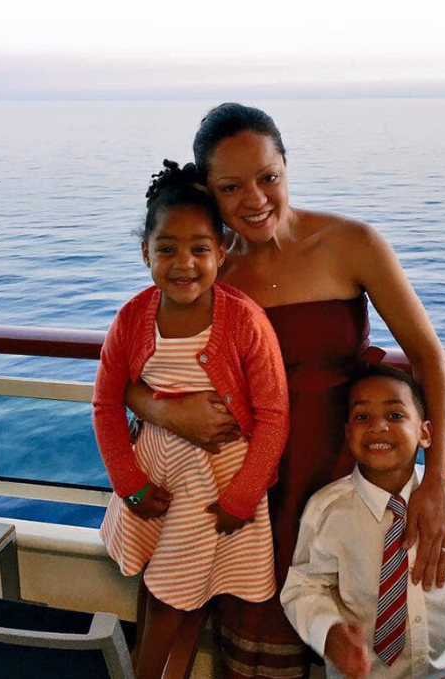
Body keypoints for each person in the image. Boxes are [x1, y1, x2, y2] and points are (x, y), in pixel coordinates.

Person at [123, 103, 445, 679]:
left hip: (340, 472)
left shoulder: (352, 243)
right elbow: (137, 374)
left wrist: (436, 480)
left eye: (268, 177)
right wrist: (168, 413)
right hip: (242, 479)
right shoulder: (204, 265)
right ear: (208, 190)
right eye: (231, 187)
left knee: (354, 631)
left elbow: (430, 359)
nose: (255, 199)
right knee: (223, 623)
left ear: (286, 166)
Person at [92, 159, 289, 679]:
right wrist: (129, 484)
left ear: (222, 252)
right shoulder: (131, 319)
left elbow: (273, 416)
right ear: (145, 253)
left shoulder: (245, 321)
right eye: (167, 249)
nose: (184, 264)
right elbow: (106, 405)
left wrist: (243, 495)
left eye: (200, 249)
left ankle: (144, 673)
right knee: (169, 585)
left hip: (215, 484)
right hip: (156, 477)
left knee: (172, 594)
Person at [281, 364, 445, 679]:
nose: (378, 426)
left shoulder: (444, 497)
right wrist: (329, 632)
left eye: (394, 415)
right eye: (362, 416)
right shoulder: (328, 511)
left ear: (425, 433)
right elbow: (303, 587)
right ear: (348, 433)